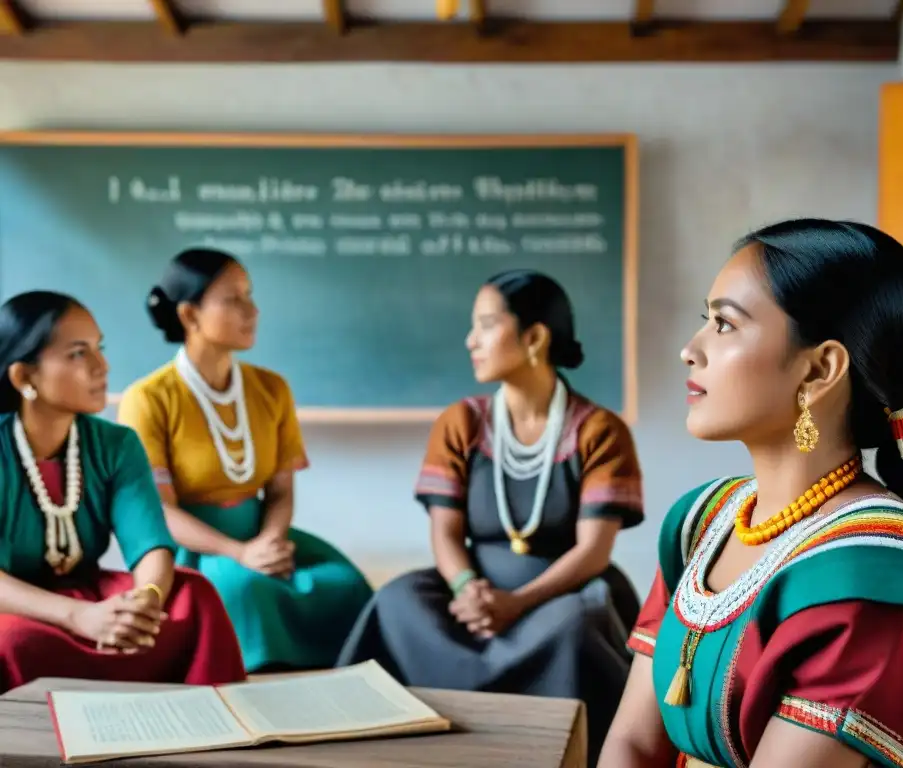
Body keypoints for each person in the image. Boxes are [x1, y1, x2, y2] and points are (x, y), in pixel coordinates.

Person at [598, 218, 903, 768]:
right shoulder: (702, 521)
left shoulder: (866, 580)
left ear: (820, 370)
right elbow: (631, 743)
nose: (689, 351)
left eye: (724, 325)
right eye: (706, 319)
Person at [337, 269, 645, 765]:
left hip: (560, 592)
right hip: (472, 590)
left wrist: (517, 603)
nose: (470, 340)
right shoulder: (460, 422)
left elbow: (594, 550)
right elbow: (444, 531)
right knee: (398, 601)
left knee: (577, 623)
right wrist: (466, 588)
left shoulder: (600, 431)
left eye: (484, 325)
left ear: (534, 337)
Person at [117, 248, 373, 674]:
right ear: (189, 315)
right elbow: (158, 511)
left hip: (263, 536)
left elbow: (279, 489)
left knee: (343, 585)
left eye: (249, 296)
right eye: (233, 299)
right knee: (243, 590)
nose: (252, 310)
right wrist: (238, 552)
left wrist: (270, 540)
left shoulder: (272, 388)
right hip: (194, 548)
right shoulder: (147, 399)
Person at [0, 290, 246, 693]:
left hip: (91, 597)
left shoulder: (118, 444)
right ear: (24, 377)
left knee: (193, 594)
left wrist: (146, 601)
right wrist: (78, 616)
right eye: (78, 354)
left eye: (100, 348)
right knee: (14, 642)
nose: (102, 365)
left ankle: (213, 722)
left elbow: (150, 545)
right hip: (16, 606)